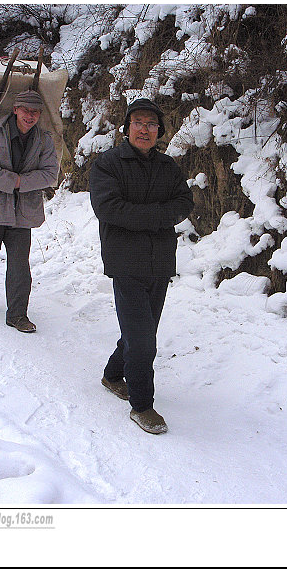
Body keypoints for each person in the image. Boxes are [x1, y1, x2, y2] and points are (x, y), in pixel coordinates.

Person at [89, 98, 194, 434]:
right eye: (139, 122)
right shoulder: (109, 163)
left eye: (151, 124)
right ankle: (142, 405)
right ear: (127, 128)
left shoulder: (168, 167)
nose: (145, 129)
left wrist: (148, 216)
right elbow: (109, 208)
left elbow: (184, 203)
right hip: (125, 260)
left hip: (160, 260)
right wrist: (158, 217)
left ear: (159, 131)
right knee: (143, 337)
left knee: (141, 330)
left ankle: (112, 375)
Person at [0, 89, 58, 333]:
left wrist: (21, 183)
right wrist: (14, 181)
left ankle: (17, 315)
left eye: (35, 112)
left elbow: (50, 174)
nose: (30, 116)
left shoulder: (44, 140)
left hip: (22, 214)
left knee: (20, 266)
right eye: (26, 110)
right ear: (15, 109)